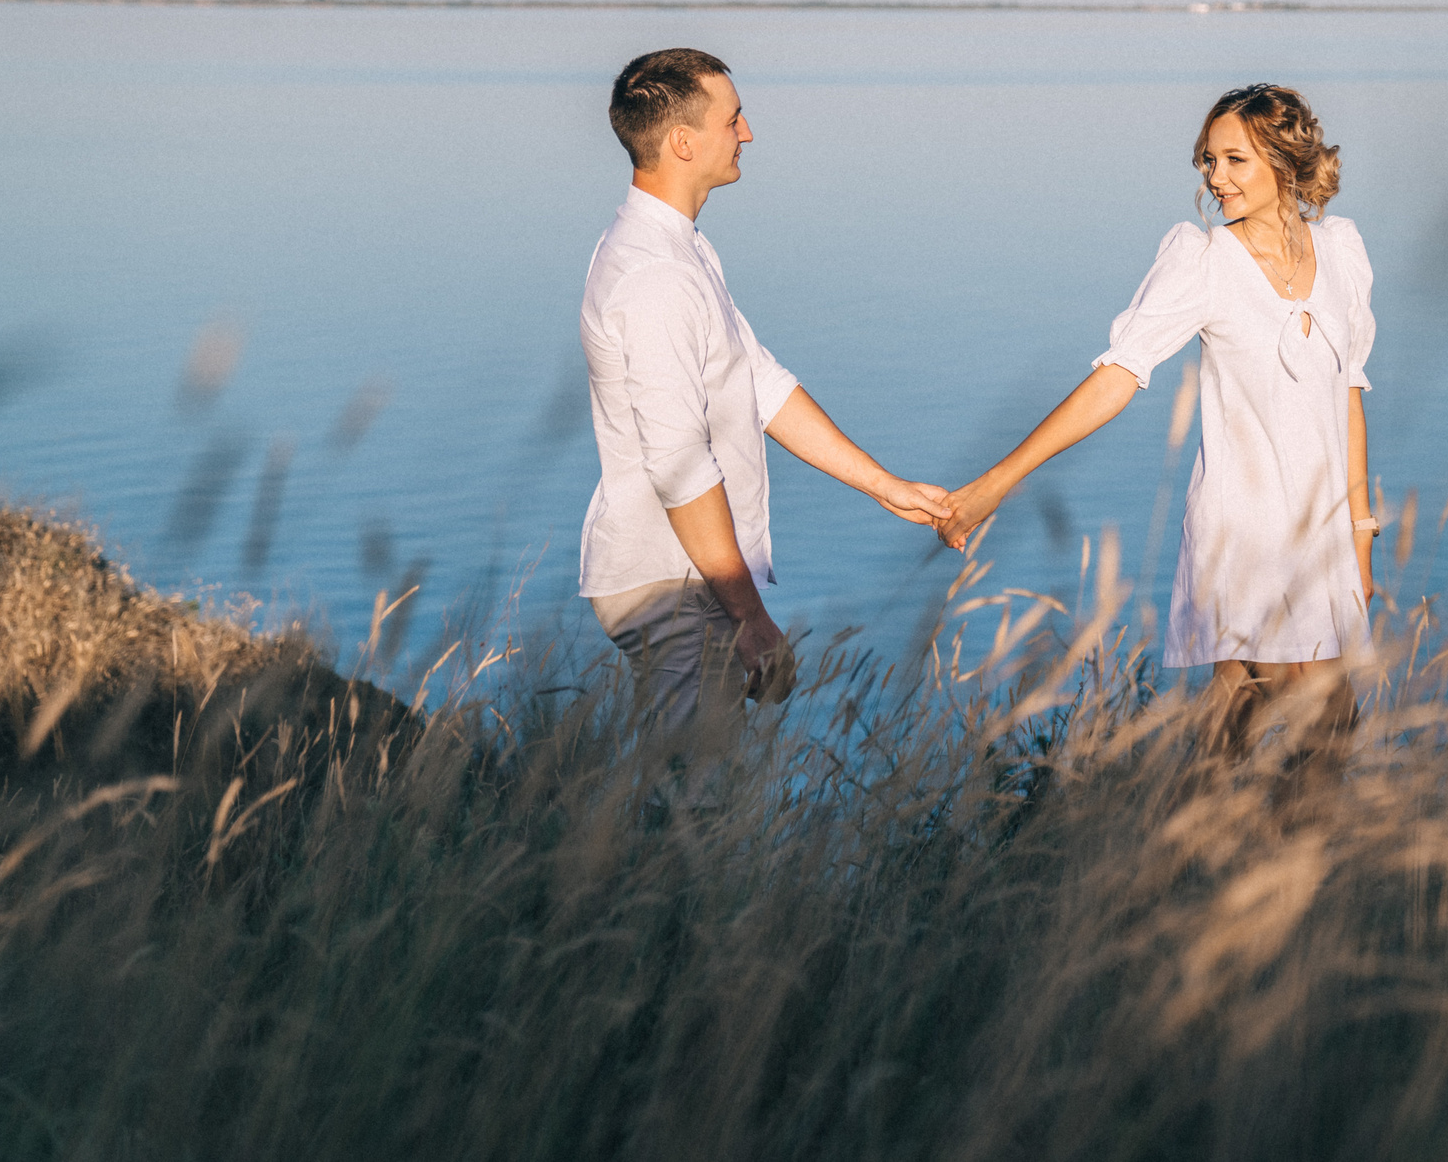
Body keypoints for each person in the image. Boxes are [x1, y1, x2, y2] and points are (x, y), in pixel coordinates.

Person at [941, 83, 1377, 759]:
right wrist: (999, 481)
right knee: (1310, 720)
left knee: (1264, 727)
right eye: (1209, 160)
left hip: (1323, 540)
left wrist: (1361, 538)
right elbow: (1116, 378)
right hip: (1244, 534)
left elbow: (1348, 394)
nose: (1215, 177)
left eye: (1235, 160)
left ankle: (1190, 853)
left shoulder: (1342, 254)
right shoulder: (1204, 262)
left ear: (1284, 162)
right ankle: (1240, 856)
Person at [579, 48, 951, 730]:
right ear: (683, 142)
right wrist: (747, 615)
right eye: (734, 119)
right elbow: (678, 464)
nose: (746, 133)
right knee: (697, 805)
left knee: (696, 794)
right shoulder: (654, 277)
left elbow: (761, 383)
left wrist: (886, 487)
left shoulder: (683, 251)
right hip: (672, 583)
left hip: (693, 579)